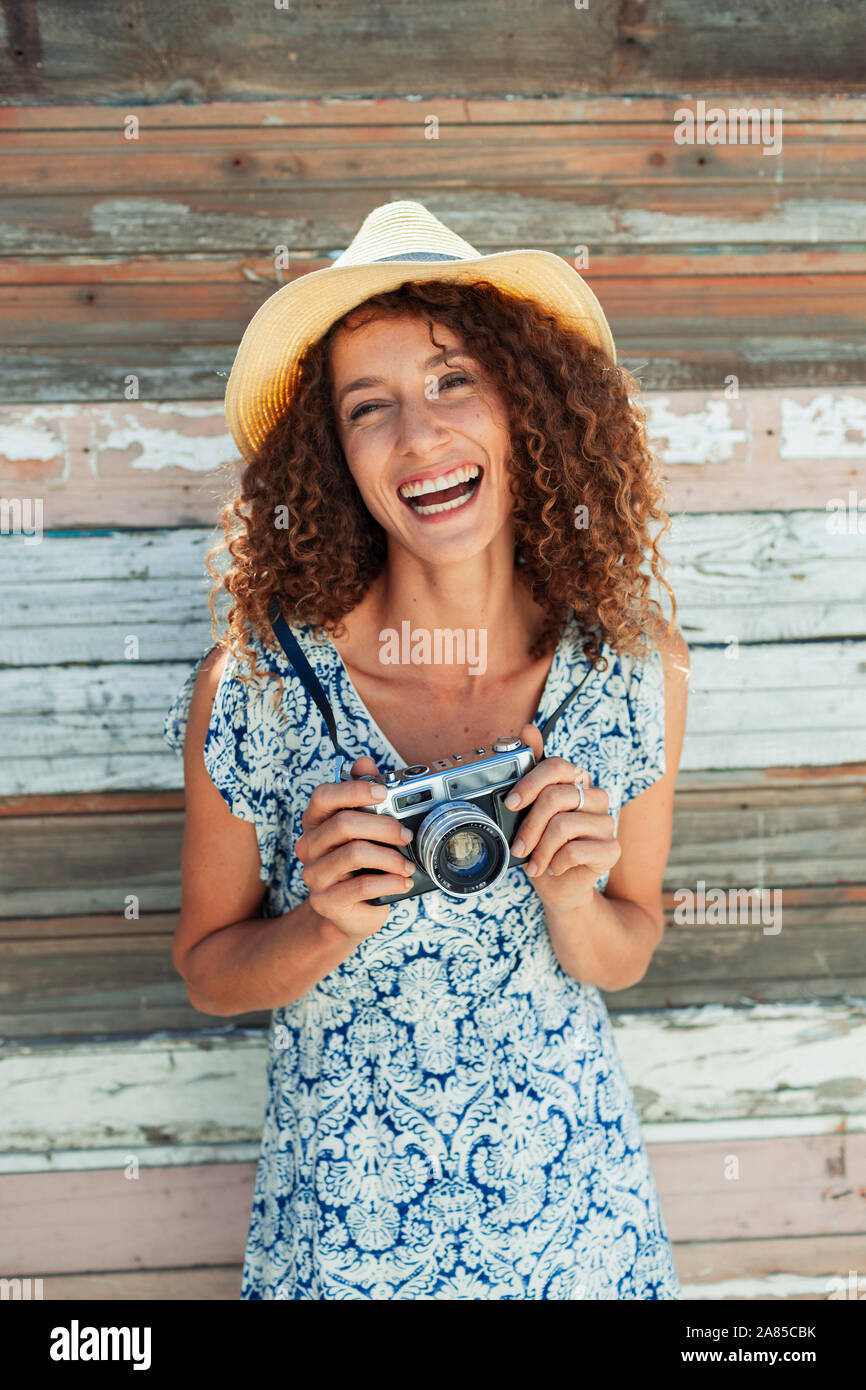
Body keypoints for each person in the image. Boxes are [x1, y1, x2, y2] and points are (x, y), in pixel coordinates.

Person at [163, 200, 690, 1300]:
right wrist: (320, 923)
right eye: (370, 407)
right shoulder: (258, 683)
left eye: (454, 380)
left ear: (527, 405)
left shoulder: (633, 665)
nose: (418, 437)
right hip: (346, 1249)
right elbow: (209, 968)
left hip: (577, 1232)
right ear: (333, 454)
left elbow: (627, 945)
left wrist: (571, 898)